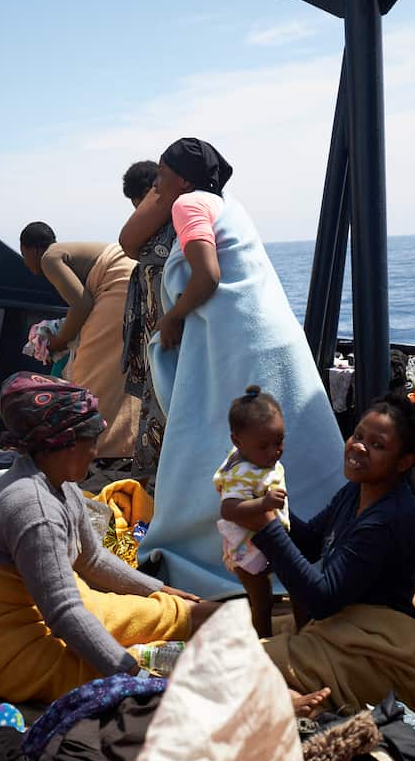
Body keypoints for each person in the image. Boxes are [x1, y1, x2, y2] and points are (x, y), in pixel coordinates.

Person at [0, 373, 220, 703]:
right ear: (66, 442)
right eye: (92, 439)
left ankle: (216, 627)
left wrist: (161, 591)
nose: (96, 450)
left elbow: (92, 560)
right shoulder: (34, 507)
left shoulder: (62, 486)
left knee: (175, 612)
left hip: (36, 606)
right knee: (93, 675)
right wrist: (133, 675)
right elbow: (64, 613)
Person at [132, 137, 347, 597]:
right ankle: (316, 542)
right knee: (292, 445)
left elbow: (206, 275)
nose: (157, 182)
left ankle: (209, 553)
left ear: (182, 178)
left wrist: (172, 317)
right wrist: (162, 192)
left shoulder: (189, 202)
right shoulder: (225, 203)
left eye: (163, 173)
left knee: (206, 444)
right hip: (270, 337)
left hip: (238, 344)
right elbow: (132, 240)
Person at [223, 394, 415, 715]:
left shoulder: (386, 519)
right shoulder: (357, 490)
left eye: (377, 445)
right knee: (233, 637)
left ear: (404, 462)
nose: (359, 447)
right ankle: (288, 692)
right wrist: (267, 504)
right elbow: (311, 541)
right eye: (358, 436)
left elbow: (322, 600)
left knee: (230, 663)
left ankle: (291, 699)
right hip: (340, 627)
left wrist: (266, 527)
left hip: (372, 645)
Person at [20, 222, 141, 460]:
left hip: (119, 282)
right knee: (115, 373)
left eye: (25, 256)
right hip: (135, 281)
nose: (26, 263)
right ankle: (118, 447)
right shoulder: (65, 254)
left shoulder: (49, 258)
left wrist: (59, 341)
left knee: (86, 372)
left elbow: (82, 305)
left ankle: (87, 449)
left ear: (32, 250)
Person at [214, 386, 291, 639]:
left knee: (277, 594)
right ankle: (262, 640)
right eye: (264, 446)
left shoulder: (258, 460)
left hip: (265, 543)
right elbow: (229, 509)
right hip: (247, 551)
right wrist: (264, 503)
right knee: (261, 601)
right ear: (238, 441)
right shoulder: (239, 471)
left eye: (279, 442)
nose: (274, 452)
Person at [118, 160, 171, 481]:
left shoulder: (169, 224)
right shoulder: (162, 228)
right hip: (159, 337)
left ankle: (153, 487)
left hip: (167, 336)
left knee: (162, 410)